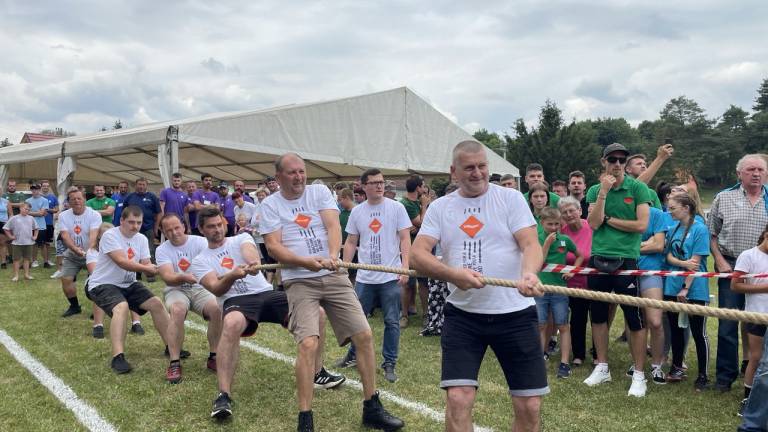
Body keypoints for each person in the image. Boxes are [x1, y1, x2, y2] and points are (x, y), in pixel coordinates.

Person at [411, 141, 547, 432]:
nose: (477, 173)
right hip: (463, 316)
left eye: (482, 166)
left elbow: (530, 244)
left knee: (530, 405)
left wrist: (528, 273)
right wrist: (452, 274)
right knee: (458, 399)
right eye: (469, 167)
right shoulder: (440, 207)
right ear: (454, 172)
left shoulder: (510, 199)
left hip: (516, 315)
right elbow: (417, 254)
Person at [261, 153, 403, 431]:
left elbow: (333, 226)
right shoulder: (269, 205)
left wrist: (331, 255)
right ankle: (305, 419)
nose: (299, 177)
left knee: (363, 335)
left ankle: (372, 408)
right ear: (278, 177)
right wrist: (306, 262)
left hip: (333, 274)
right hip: (299, 280)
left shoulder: (318, 192)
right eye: (292, 172)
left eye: (301, 171)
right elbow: (274, 247)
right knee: (308, 344)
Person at [189, 206, 344, 423]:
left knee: (317, 313)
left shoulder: (241, 238)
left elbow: (250, 252)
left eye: (219, 224)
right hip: (236, 300)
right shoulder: (200, 260)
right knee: (231, 323)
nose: (217, 229)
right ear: (201, 229)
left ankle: (317, 373)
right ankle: (223, 395)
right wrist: (232, 276)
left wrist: (253, 262)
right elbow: (216, 289)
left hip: (266, 293)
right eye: (211, 227)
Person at [583, 142, 650, 398]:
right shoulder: (594, 190)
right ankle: (602, 366)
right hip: (599, 257)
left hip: (627, 259)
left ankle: (639, 374)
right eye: (613, 159)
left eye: (622, 160)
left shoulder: (638, 188)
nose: (618, 164)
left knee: (634, 318)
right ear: (604, 162)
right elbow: (593, 223)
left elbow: (641, 225)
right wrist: (603, 193)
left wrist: (609, 220)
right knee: (598, 316)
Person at [336, 168, 412, 383]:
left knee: (392, 321)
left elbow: (405, 238)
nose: (379, 186)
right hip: (364, 278)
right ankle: (353, 355)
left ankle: (389, 362)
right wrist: (345, 267)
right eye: (374, 182)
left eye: (381, 182)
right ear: (364, 186)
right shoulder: (357, 212)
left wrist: (405, 267)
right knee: (357, 321)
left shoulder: (396, 208)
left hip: (390, 276)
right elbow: (351, 241)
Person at [86, 205, 171, 374]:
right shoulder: (110, 235)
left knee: (156, 303)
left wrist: (159, 269)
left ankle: (172, 347)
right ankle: (118, 357)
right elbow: (122, 261)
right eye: (131, 222)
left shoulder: (141, 239)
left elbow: (146, 263)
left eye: (139, 222)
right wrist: (146, 268)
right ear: (121, 220)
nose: (135, 226)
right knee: (121, 307)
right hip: (102, 284)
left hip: (128, 283)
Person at [708, 154, 768, 392]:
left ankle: (755, 372)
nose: (756, 174)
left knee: (758, 320)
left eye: (760, 170)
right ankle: (725, 377)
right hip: (731, 264)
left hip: (763, 267)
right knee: (728, 322)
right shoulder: (723, 198)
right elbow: (712, 235)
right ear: (739, 174)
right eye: (751, 169)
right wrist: (720, 260)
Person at [156, 213, 222, 384]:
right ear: (163, 232)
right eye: (168, 230)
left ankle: (214, 356)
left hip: (200, 288)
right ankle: (174, 362)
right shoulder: (162, 249)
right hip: (176, 289)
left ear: (184, 226)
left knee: (217, 309)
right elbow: (168, 277)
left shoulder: (200, 242)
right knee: (177, 310)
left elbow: (212, 265)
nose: (174, 233)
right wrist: (184, 277)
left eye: (177, 228)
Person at [663, 194, 711, 390]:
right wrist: (682, 263)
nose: (669, 212)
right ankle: (676, 367)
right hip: (672, 285)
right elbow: (668, 256)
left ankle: (703, 375)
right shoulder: (673, 228)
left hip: (695, 288)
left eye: (673, 208)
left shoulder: (700, 229)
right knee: (675, 329)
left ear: (686, 208)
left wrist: (686, 287)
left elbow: (696, 263)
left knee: (699, 332)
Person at [537, 207, 583, 379]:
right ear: (542, 223)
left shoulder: (565, 240)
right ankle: (539, 359)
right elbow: (538, 262)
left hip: (560, 289)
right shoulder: (537, 238)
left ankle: (564, 363)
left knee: (563, 325)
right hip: (540, 288)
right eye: (550, 224)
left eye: (557, 224)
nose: (554, 227)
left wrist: (573, 271)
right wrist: (547, 244)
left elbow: (580, 255)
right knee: (540, 325)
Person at [732, 225, 768, 417]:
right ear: (766, 235)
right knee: (756, 357)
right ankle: (748, 398)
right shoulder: (748, 256)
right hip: (756, 314)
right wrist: (764, 288)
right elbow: (735, 285)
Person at [635, 204, 670, 384]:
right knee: (635, 322)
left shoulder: (656, 214)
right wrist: (646, 243)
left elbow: (658, 245)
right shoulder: (624, 212)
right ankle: (637, 362)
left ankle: (657, 365)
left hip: (651, 271)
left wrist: (634, 246)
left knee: (655, 321)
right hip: (628, 271)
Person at [558, 196, 593, 367]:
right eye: (564, 212)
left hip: (592, 282)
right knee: (576, 320)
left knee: (597, 319)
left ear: (580, 211)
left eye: (572, 210)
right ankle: (578, 354)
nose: (569, 214)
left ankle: (597, 353)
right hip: (568, 284)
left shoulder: (591, 227)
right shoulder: (561, 232)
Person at [58, 187, 103, 317]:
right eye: (73, 199)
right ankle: (74, 306)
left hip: (92, 253)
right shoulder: (63, 216)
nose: (76, 201)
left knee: (97, 282)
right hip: (72, 254)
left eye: (79, 198)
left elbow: (94, 234)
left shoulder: (94, 215)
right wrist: (75, 249)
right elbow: (65, 236)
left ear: (84, 199)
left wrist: (89, 251)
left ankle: (98, 309)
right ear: (69, 202)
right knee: (66, 279)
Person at [399, 174, 432, 328]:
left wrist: (417, 227)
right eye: (423, 186)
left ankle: (426, 315)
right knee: (407, 283)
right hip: (409, 249)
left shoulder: (416, 202)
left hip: (423, 249)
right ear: (418, 188)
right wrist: (424, 207)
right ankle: (404, 315)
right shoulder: (406, 204)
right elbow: (422, 222)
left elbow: (426, 225)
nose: (425, 190)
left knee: (424, 283)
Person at [123, 178, 162, 269]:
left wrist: (156, 227)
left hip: (148, 228)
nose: (141, 186)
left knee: (150, 250)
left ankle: (150, 272)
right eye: (139, 184)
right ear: (136, 185)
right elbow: (124, 213)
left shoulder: (152, 197)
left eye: (143, 184)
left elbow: (159, 213)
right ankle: (136, 271)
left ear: (146, 185)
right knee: (134, 250)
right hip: (133, 229)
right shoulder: (130, 197)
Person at [85, 222, 113, 339]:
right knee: (101, 287)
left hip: (115, 281)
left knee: (132, 284)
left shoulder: (120, 249)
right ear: (99, 237)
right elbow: (94, 272)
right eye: (105, 236)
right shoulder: (92, 251)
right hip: (96, 282)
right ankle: (98, 326)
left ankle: (136, 323)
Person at [3, 202, 38, 281]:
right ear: (20, 208)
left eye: (28, 210)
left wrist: (35, 236)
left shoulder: (31, 218)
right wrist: (10, 236)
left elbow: (36, 228)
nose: (27, 211)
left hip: (29, 242)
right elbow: (6, 228)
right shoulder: (14, 218)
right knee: (16, 259)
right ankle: (16, 276)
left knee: (27, 259)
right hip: (17, 243)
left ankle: (26, 274)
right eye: (25, 209)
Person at [25, 184, 49, 268]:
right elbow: (26, 212)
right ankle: (34, 261)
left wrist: (29, 212)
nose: (34, 190)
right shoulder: (27, 200)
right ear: (31, 190)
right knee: (33, 244)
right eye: (33, 189)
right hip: (30, 225)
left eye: (36, 189)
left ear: (39, 190)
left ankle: (46, 262)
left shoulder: (44, 200)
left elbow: (42, 213)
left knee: (43, 244)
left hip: (41, 226)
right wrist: (38, 213)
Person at [40, 180, 59, 269]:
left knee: (47, 243)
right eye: (44, 186)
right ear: (41, 187)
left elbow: (56, 209)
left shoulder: (53, 197)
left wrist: (47, 209)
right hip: (39, 223)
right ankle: (39, 260)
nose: (46, 187)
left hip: (49, 223)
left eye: (47, 186)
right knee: (41, 243)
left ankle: (47, 260)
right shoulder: (38, 197)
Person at [0, 186, 11, 269]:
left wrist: (8, 223)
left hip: (3, 223)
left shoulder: (6, 201)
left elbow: (11, 214)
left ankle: (3, 262)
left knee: (2, 243)